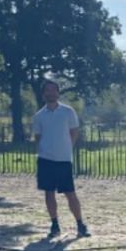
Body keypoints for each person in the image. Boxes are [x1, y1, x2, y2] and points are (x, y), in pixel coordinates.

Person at [32, 79, 90, 238]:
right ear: (44, 94)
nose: (51, 93)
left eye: (54, 90)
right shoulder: (39, 116)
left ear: (58, 93)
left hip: (63, 159)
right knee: (48, 193)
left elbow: (74, 132)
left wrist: (66, 148)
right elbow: (38, 137)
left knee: (70, 193)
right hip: (46, 159)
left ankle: (80, 224)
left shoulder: (68, 111)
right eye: (48, 90)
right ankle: (54, 224)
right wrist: (45, 150)